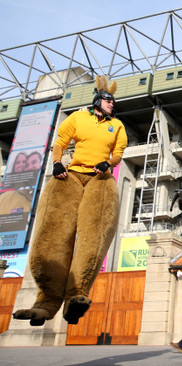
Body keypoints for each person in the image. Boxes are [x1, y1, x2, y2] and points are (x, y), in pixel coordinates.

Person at [12, 76, 127, 326]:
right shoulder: (78, 117)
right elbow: (61, 142)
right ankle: (47, 301)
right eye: (108, 100)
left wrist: (109, 162)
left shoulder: (116, 125)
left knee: (94, 235)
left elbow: (118, 152)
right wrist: (56, 163)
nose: (112, 105)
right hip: (72, 174)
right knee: (52, 231)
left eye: (113, 102)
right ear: (98, 100)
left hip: (100, 178)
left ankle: (77, 294)